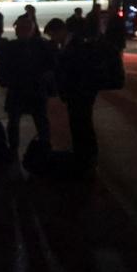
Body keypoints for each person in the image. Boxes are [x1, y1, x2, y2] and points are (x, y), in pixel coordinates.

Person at [43, 18, 100, 168]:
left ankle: (86, 156)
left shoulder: (76, 45)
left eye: (53, 35)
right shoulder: (71, 44)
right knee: (80, 124)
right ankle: (84, 154)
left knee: (82, 124)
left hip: (80, 93)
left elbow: (75, 71)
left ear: (61, 31)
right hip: (78, 93)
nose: (53, 39)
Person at [0, 15, 54, 153]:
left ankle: (15, 150)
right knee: (39, 120)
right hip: (32, 89)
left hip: (21, 89)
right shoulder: (41, 45)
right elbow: (51, 66)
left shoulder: (11, 46)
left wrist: (6, 80)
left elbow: (0, 66)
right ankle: (44, 149)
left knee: (16, 121)